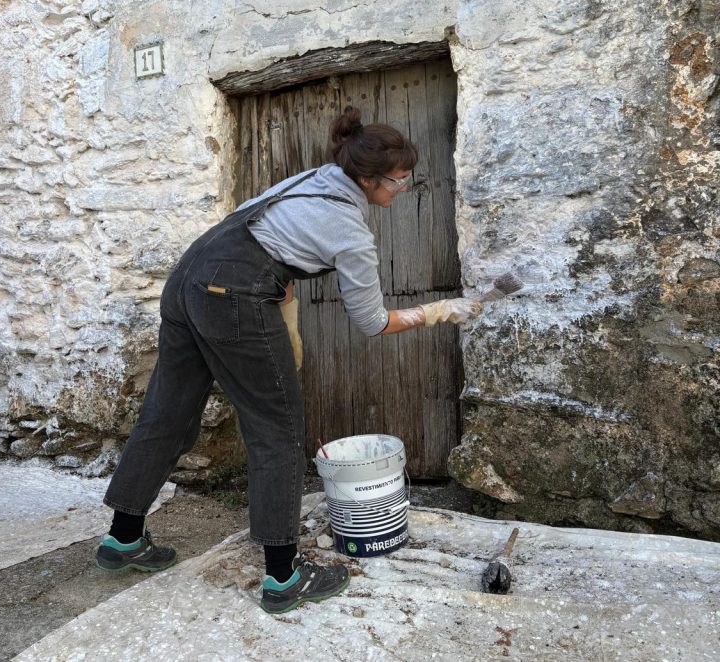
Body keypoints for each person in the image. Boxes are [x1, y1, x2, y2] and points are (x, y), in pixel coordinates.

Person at [94, 107, 483, 614]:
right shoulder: (350, 230)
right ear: (367, 179)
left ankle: (123, 539)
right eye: (398, 182)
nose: (402, 190)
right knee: (277, 429)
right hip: (233, 292)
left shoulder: (313, 181)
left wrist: (290, 324)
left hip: (190, 276)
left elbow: (278, 248)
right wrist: (435, 312)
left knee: (167, 413)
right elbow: (371, 321)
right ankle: (283, 577)